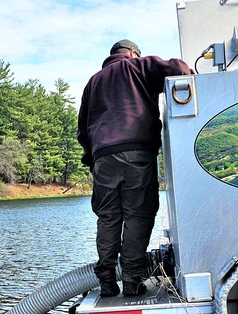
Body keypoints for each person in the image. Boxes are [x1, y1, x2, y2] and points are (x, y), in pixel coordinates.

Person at [77, 39, 192, 297]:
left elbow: (82, 130)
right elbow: (179, 68)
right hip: (137, 152)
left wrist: (93, 159)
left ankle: (107, 281)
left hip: (103, 158)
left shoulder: (92, 82)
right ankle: (131, 281)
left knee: (108, 218)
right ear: (131, 53)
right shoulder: (137, 66)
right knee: (138, 215)